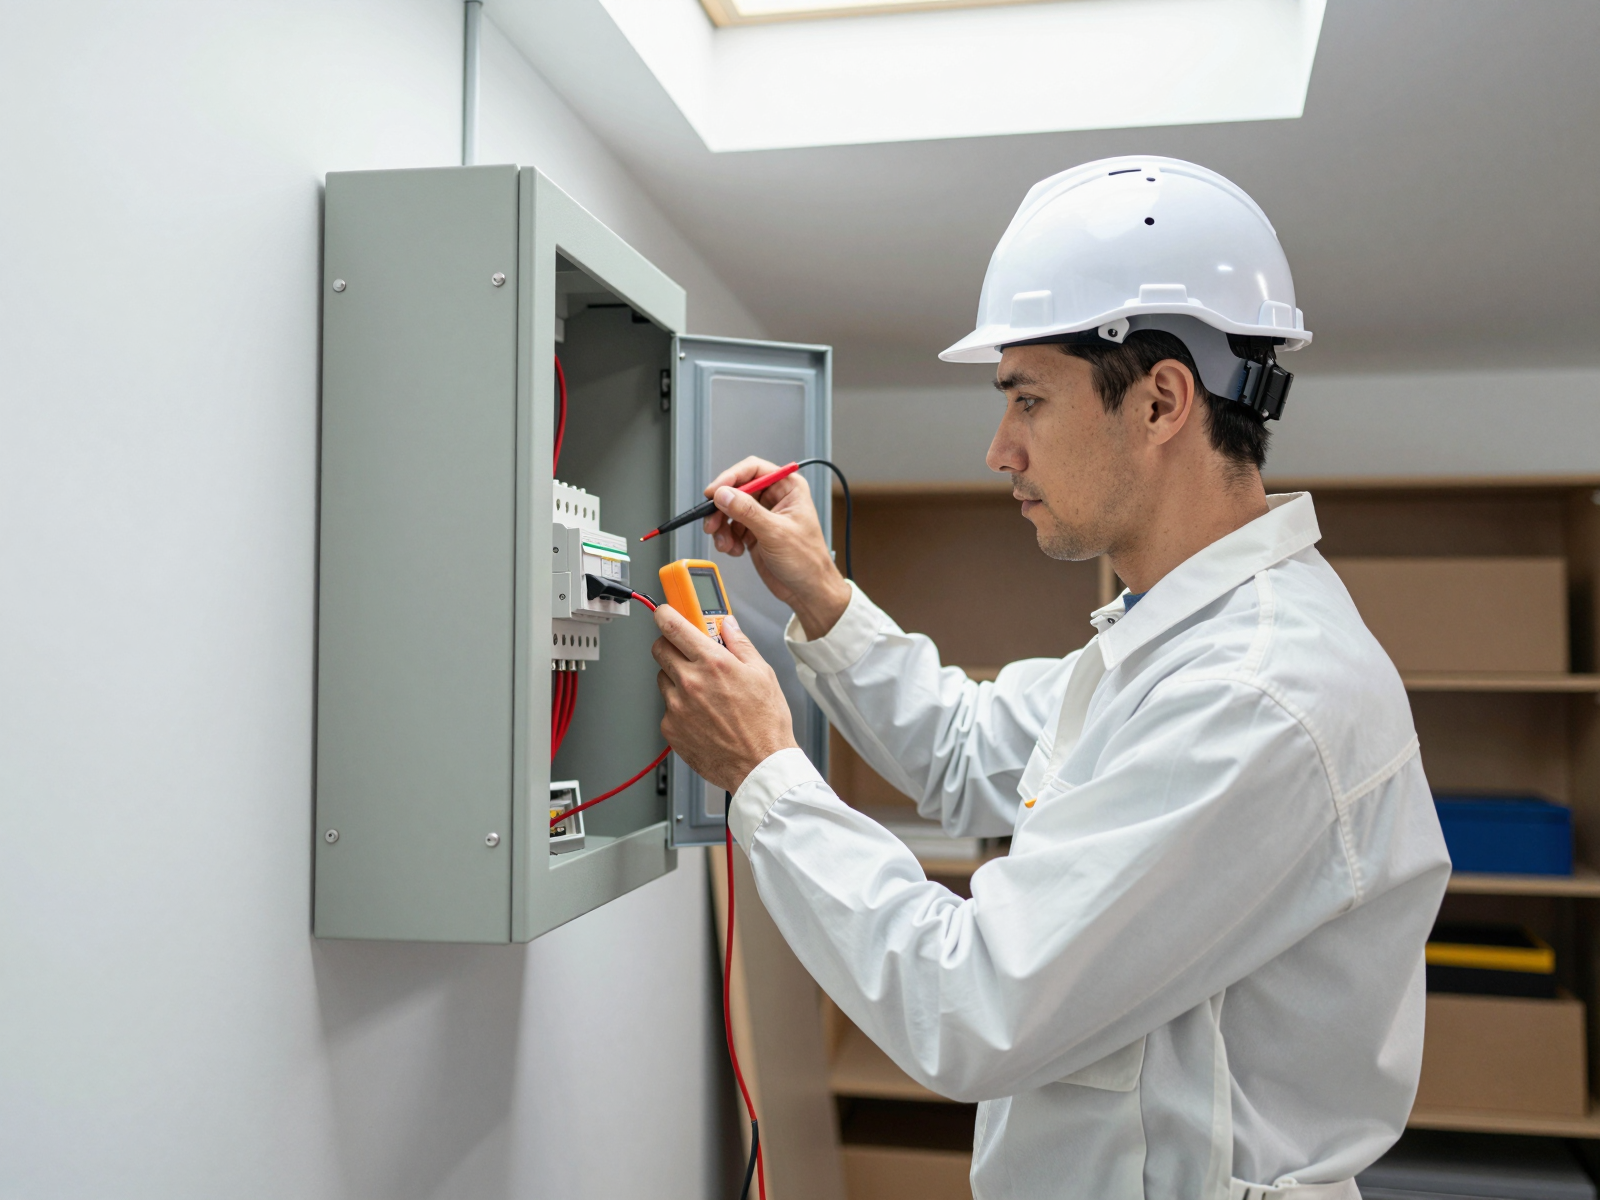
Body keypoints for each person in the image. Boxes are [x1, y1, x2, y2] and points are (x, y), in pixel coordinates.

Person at [650, 157, 1450, 1200]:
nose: (999, 448)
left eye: (1026, 399)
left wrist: (765, 772)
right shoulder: (1174, 642)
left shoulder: (1253, 694)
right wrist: (822, 600)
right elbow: (972, 752)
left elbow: (976, 1003)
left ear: (1161, 400)